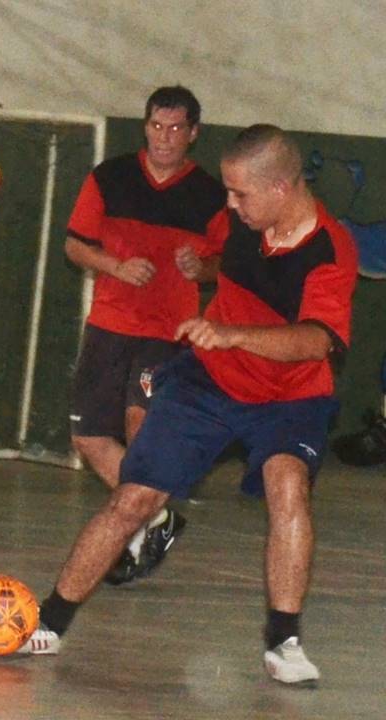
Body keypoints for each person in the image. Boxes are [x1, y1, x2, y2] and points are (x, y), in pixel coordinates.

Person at [21, 125, 358, 687]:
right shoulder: (240, 220)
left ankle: (284, 641)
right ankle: (50, 620)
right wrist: (199, 271)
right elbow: (217, 260)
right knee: (134, 497)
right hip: (209, 384)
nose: (229, 204)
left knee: (288, 486)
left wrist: (232, 334)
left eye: (240, 193)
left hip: (291, 396)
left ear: (280, 188)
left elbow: (317, 341)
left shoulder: (331, 249)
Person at [65, 86, 227, 584]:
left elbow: (224, 265)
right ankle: (156, 517)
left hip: (168, 332)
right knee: (89, 437)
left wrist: (200, 268)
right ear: (145, 126)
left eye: (176, 128)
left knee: (141, 427)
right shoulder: (109, 177)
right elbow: (75, 245)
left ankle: (134, 530)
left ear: (193, 133)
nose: (164, 137)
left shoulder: (210, 195)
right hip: (109, 325)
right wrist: (114, 265)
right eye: (157, 126)